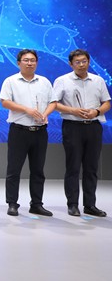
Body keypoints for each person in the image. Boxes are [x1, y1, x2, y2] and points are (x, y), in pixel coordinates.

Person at [51, 49, 111, 217]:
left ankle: (90, 205)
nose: (81, 65)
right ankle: (72, 204)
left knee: (91, 168)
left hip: (94, 127)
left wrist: (96, 112)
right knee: (73, 167)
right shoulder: (62, 80)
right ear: (71, 64)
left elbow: (107, 103)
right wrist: (73, 110)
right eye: (77, 62)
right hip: (73, 127)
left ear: (89, 62)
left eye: (84, 61)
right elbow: (54, 103)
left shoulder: (98, 80)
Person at [0, 49, 56, 217]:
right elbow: (5, 102)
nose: (29, 63)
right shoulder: (11, 81)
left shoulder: (44, 82)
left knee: (38, 170)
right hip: (19, 131)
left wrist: (45, 114)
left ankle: (36, 204)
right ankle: (12, 204)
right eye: (26, 60)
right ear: (19, 63)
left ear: (36, 63)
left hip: (40, 131)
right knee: (14, 170)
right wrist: (26, 110)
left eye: (32, 60)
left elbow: (53, 102)